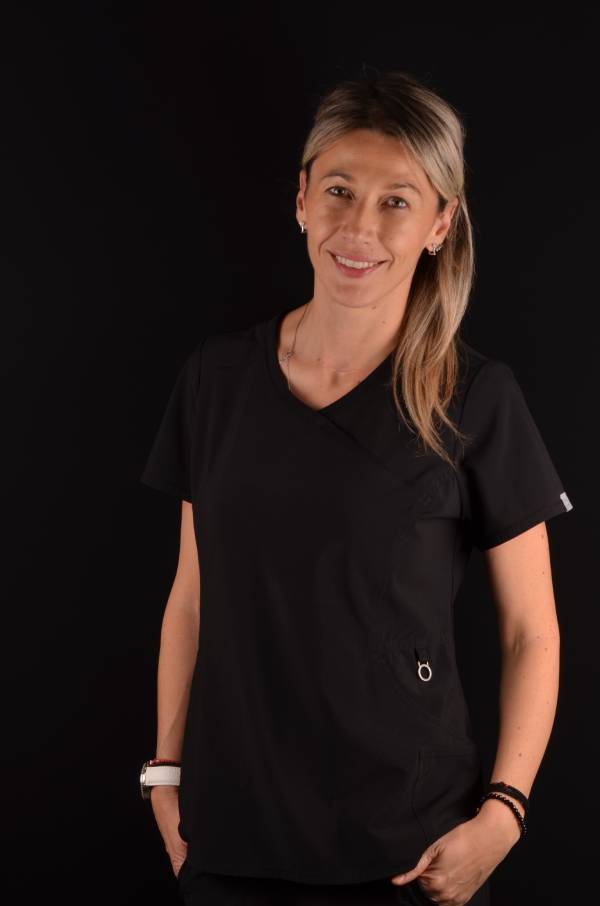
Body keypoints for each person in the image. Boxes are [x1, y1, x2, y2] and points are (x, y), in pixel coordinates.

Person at [139, 70, 574, 906]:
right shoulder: (216, 382)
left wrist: (503, 816)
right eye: (339, 190)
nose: (359, 227)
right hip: (229, 838)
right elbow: (191, 599)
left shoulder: (475, 398)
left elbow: (532, 633)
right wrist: (165, 777)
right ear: (302, 197)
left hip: (409, 852)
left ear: (440, 223)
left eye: (396, 201)